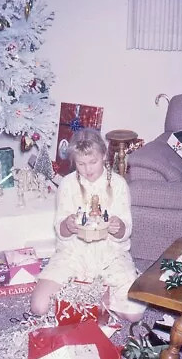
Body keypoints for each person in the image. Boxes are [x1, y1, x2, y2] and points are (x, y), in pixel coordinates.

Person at [31, 127, 146, 321]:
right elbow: (60, 230)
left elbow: (126, 231)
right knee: (39, 307)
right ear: (74, 162)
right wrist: (67, 225)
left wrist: (118, 228)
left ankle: (98, 293)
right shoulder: (68, 184)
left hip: (110, 255)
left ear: (104, 155)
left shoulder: (118, 184)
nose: (88, 169)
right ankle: (90, 295)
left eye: (93, 162)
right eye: (81, 164)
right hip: (73, 254)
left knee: (134, 314)